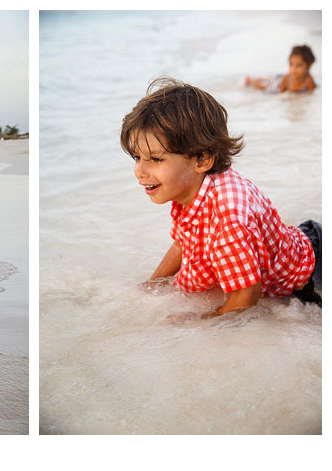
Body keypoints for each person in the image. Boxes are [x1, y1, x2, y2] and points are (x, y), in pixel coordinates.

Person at [121, 77, 320, 317]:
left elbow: (247, 295)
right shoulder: (192, 187)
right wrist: (151, 285)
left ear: (202, 159)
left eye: (156, 159)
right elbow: (183, 243)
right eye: (137, 157)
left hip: (312, 274)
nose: (139, 171)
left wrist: (202, 323)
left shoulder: (228, 216)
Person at [245, 45, 317, 93]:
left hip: (280, 78)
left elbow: (311, 94)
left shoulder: (308, 81)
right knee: (263, 87)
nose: (293, 69)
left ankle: (261, 79)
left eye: (299, 65)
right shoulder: (287, 79)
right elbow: (280, 93)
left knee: (267, 80)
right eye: (291, 64)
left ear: (308, 66)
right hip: (278, 82)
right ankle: (250, 80)